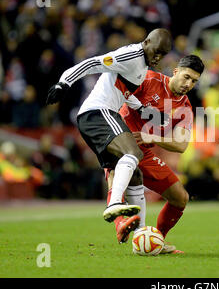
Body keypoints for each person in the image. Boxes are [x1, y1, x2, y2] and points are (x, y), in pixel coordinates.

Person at [46, 28, 172, 225]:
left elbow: (123, 92)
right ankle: (114, 203)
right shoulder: (131, 56)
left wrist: (148, 113)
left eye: (163, 54)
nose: (158, 57)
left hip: (100, 115)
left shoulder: (142, 65)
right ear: (146, 42)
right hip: (97, 113)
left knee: (135, 175)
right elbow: (92, 63)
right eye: (156, 51)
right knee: (133, 152)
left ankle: (140, 234)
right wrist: (64, 83)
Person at [105, 55, 204, 253]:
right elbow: (119, 92)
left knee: (180, 198)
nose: (188, 84)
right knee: (118, 177)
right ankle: (120, 225)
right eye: (186, 77)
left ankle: (154, 240)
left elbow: (181, 144)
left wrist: (153, 138)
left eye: (194, 81)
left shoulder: (184, 108)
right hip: (120, 141)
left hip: (145, 153)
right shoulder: (149, 79)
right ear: (175, 71)